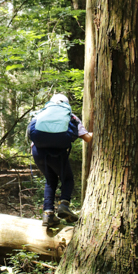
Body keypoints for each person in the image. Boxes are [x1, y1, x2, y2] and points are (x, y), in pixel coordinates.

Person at [28, 94, 93, 227]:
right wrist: (94, 133)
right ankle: (64, 205)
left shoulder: (42, 113)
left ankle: (48, 214)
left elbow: (30, 132)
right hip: (58, 153)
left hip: (38, 152)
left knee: (50, 180)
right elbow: (86, 138)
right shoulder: (71, 116)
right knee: (67, 178)